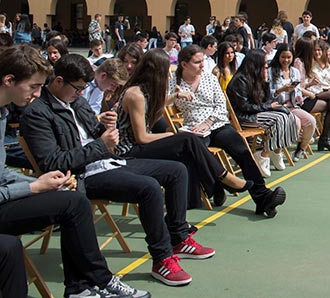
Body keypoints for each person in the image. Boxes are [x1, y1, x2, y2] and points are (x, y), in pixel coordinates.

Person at [22, 53, 211, 287]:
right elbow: (53, 162)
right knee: (149, 188)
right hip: (83, 175)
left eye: (82, 89)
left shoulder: (76, 102)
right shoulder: (38, 114)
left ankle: (179, 237)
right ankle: (162, 258)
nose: (81, 93)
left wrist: (106, 126)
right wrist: (101, 145)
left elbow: (93, 132)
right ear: (59, 81)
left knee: (176, 171)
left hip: (107, 161)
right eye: (78, 89)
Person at [0, 45, 150, 298]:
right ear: (9, 80)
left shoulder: (3, 113)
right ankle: (98, 281)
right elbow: (53, 158)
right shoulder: (34, 112)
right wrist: (32, 187)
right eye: (33, 86)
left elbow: (2, 172)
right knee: (74, 203)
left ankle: (82, 287)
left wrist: (38, 180)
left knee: (74, 202)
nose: (37, 93)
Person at [115, 49, 252, 208]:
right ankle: (223, 178)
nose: (168, 76)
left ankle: (194, 200)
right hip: (129, 150)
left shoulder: (145, 91)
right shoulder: (136, 95)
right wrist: (174, 135)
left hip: (140, 145)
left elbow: (153, 109)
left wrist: (175, 97)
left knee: (187, 153)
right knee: (187, 138)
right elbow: (142, 138)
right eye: (166, 72)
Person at [171, 46, 287, 218]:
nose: (202, 65)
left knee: (242, 150)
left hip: (217, 124)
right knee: (196, 153)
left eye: (203, 61)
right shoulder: (174, 83)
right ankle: (219, 184)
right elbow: (163, 105)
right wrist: (175, 96)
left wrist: (208, 122)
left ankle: (262, 196)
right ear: (184, 64)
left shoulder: (209, 78)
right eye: (197, 62)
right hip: (192, 130)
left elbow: (221, 106)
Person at [227, 50, 300, 176]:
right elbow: (245, 106)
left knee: (288, 115)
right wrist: (267, 106)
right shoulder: (240, 80)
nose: (267, 66)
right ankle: (264, 154)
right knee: (277, 119)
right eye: (264, 63)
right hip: (244, 117)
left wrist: (266, 83)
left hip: (257, 111)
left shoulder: (257, 77)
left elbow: (268, 99)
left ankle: (277, 150)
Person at [269, 44, 317, 161]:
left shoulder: (294, 71)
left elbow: (298, 89)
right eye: (283, 57)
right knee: (295, 123)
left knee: (311, 121)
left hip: (292, 105)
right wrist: (282, 90)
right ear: (278, 57)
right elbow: (269, 94)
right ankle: (281, 147)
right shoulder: (271, 71)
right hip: (277, 106)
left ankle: (301, 148)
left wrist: (299, 96)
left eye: (289, 57)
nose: (286, 60)